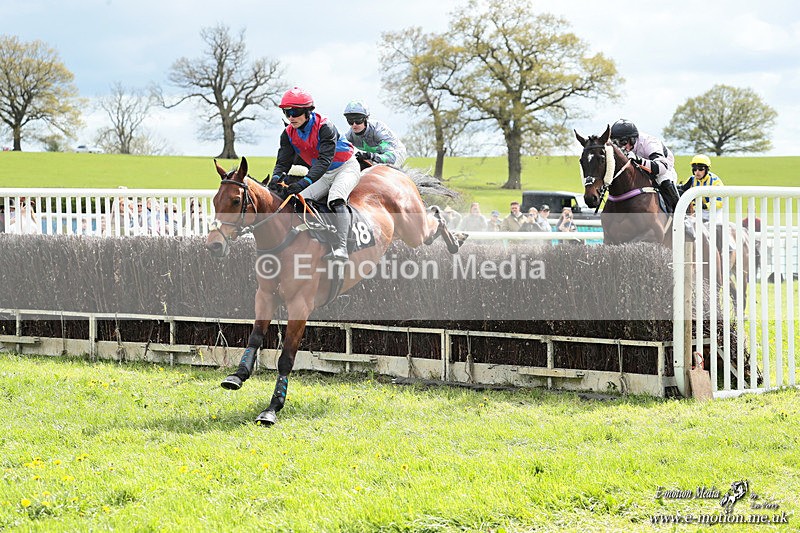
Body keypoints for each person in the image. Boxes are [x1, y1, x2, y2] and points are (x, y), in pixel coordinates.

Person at [268, 87, 361, 263]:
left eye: (294, 112)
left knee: (336, 198)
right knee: (298, 200)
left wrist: (304, 182)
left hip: (345, 168)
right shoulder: (287, 133)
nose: (290, 117)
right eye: (286, 112)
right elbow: (283, 162)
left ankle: (342, 247)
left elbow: (324, 161)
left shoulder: (325, 127)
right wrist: (275, 179)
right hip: (324, 174)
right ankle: (318, 237)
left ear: (307, 111)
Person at [609, 119, 680, 213]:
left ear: (632, 139)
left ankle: (681, 214)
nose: (621, 147)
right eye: (616, 143)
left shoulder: (650, 143)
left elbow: (662, 167)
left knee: (664, 181)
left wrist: (639, 159)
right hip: (639, 168)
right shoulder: (626, 147)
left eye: (623, 142)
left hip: (663, 168)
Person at [343, 101, 407, 170]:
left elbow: (392, 159)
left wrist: (371, 156)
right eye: (350, 121)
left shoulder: (379, 131)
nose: (354, 124)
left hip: (395, 154)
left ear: (366, 119)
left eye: (358, 120)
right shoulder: (349, 136)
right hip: (372, 156)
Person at [679, 154, 724, 220]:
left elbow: (721, 202)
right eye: (695, 169)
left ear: (707, 169)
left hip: (715, 211)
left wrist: (705, 206)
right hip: (699, 211)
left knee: (718, 226)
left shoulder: (715, 181)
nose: (697, 172)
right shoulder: (691, 180)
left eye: (700, 169)